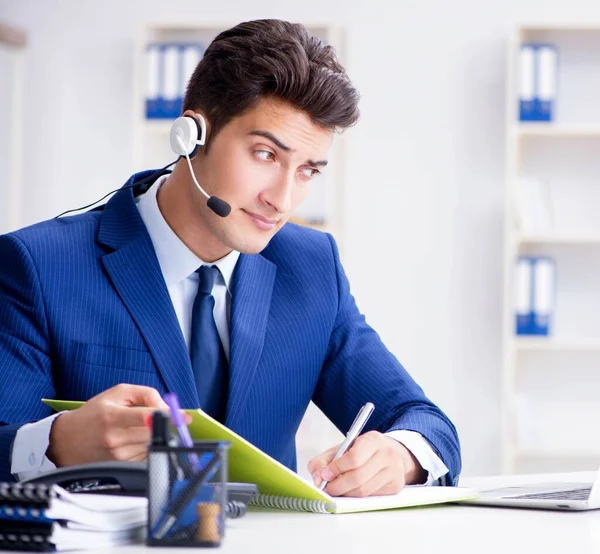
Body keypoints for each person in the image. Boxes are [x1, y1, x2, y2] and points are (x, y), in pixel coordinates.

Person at [0, 19, 460, 496]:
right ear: (191, 134)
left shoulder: (311, 267)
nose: (282, 199)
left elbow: (426, 423)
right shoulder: (38, 265)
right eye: (265, 154)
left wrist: (401, 455)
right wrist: (56, 443)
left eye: (307, 170)